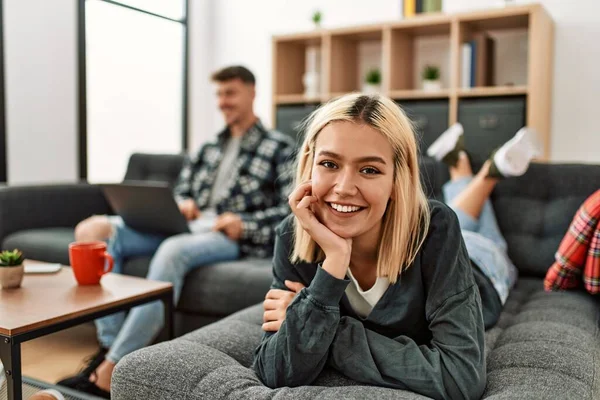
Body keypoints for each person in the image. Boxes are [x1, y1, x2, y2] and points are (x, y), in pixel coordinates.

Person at [252, 94, 538, 399]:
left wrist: (324, 330)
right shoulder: (293, 236)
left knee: (477, 235)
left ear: (396, 179)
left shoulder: (437, 227)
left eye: (370, 170)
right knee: (455, 216)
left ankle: (488, 173)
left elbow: (460, 379)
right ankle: (463, 166)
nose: (345, 188)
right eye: (329, 163)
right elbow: (277, 372)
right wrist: (335, 259)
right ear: (309, 166)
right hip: (421, 230)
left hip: (483, 266)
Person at [58, 66, 295, 398]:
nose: (223, 102)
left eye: (231, 93)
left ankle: (111, 367)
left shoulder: (279, 147)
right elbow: (182, 190)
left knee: (173, 250)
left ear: (252, 93)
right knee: (93, 229)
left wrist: (244, 224)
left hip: (225, 235)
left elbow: (290, 211)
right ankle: (110, 347)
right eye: (219, 94)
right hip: (184, 224)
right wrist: (181, 203)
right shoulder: (208, 147)